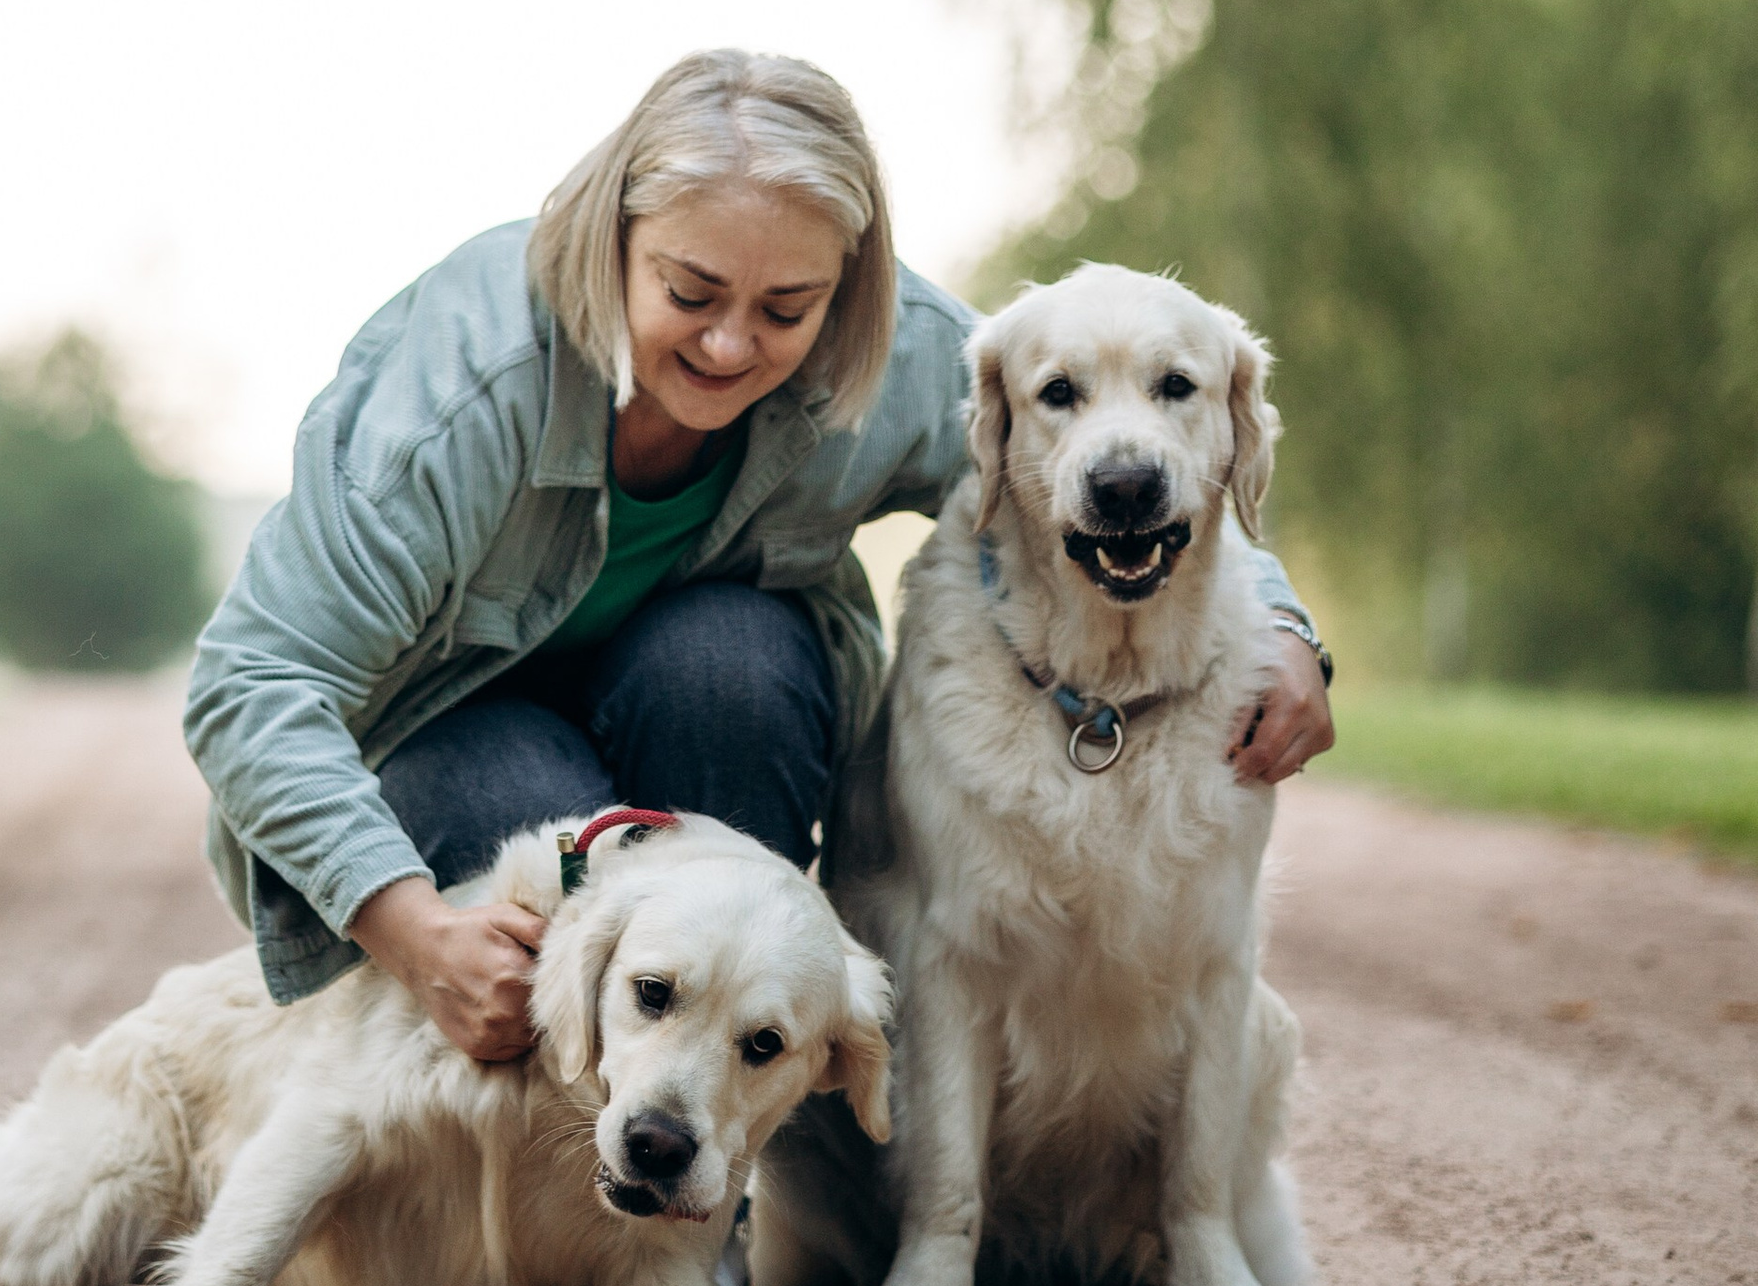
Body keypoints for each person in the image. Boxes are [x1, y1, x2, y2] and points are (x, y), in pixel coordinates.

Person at [185, 51, 1334, 1062]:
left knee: (729, 659)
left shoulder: (900, 356)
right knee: (548, 844)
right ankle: (558, 1216)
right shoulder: (460, 391)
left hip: (703, 707)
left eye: (787, 307)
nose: (733, 344)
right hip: (451, 735)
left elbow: (1102, 469)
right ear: (612, 242)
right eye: (689, 293)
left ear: (844, 287)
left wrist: (1281, 630)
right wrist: (414, 932)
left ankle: (713, 1214)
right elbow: (250, 685)